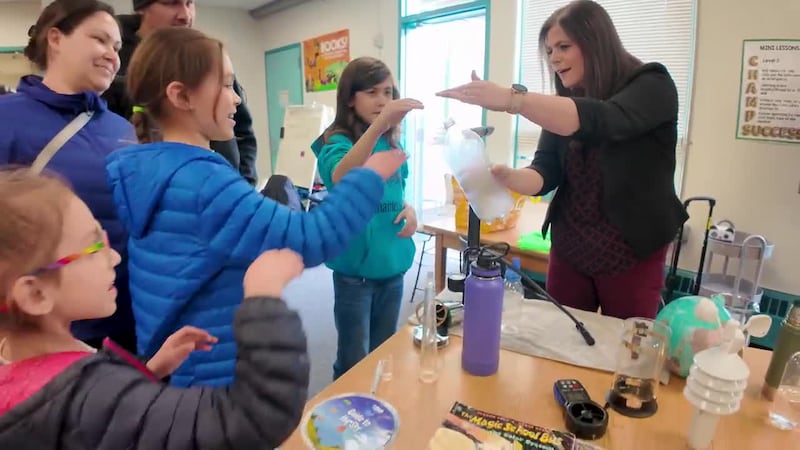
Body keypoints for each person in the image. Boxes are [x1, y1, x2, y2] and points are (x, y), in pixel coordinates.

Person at [107, 27, 408, 387]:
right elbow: (311, 237)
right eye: (226, 85)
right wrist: (369, 177)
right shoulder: (204, 182)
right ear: (181, 96)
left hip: (178, 368)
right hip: (212, 375)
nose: (236, 98)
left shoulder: (145, 169)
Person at [0, 168, 310, 449]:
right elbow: (254, 417)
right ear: (35, 294)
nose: (113, 257)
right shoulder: (90, 396)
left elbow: (100, 425)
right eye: (93, 247)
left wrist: (149, 371)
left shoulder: (19, 361)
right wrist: (264, 297)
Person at [436, 0, 688, 320]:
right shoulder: (564, 104)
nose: (554, 58)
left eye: (563, 47)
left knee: (625, 340)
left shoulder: (652, 85)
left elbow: (603, 119)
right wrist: (508, 177)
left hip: (630, 249)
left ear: (596, 42)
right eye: (549, 51)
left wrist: (512, 100)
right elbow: (545, 171)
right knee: (560, 332)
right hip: (571, 247)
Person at [0, 0, 139, 353]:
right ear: (56, 39)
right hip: (45, 331)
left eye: (117, 47)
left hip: (129, 319)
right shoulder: (7, 119)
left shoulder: (122, 129)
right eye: (100, 40)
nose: (112, 55)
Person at [311, 56, 423, 379]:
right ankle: (347, 404)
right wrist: (379, 125)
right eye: (372, 92)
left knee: (383, 354)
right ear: (350, 98)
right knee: (353, 359)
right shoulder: (336, 141)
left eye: (387, 92)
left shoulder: (392, 142)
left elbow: (397, 192)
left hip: (392, 267)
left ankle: (377, 404)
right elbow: (341, 176)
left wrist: (410, 211)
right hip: (355, 274)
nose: (382, 101)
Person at [102, 0, 259, 186]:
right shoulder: (112, 63)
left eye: (189, 3)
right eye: (171, 3)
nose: (185, 15)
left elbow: (243, 131)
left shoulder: (205, 56)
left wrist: (245, 182)